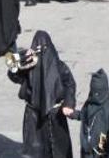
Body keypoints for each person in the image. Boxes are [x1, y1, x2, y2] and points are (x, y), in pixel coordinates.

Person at [7, 30, 75, 158]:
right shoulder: (29, 65)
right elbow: (14, 75)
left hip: (54, 113)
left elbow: (70, 84)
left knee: (58, 149)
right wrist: (21, 59)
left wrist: (68, 104)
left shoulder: (59, 66)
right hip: (34, 114)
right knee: (35, 150)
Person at [73, 69, 109, 157]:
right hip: (87, 151)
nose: (95, 95)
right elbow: (85, 115)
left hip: (102, 153)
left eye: (98, 91)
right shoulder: (90, 101)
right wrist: (73, 114)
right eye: (93, 90)